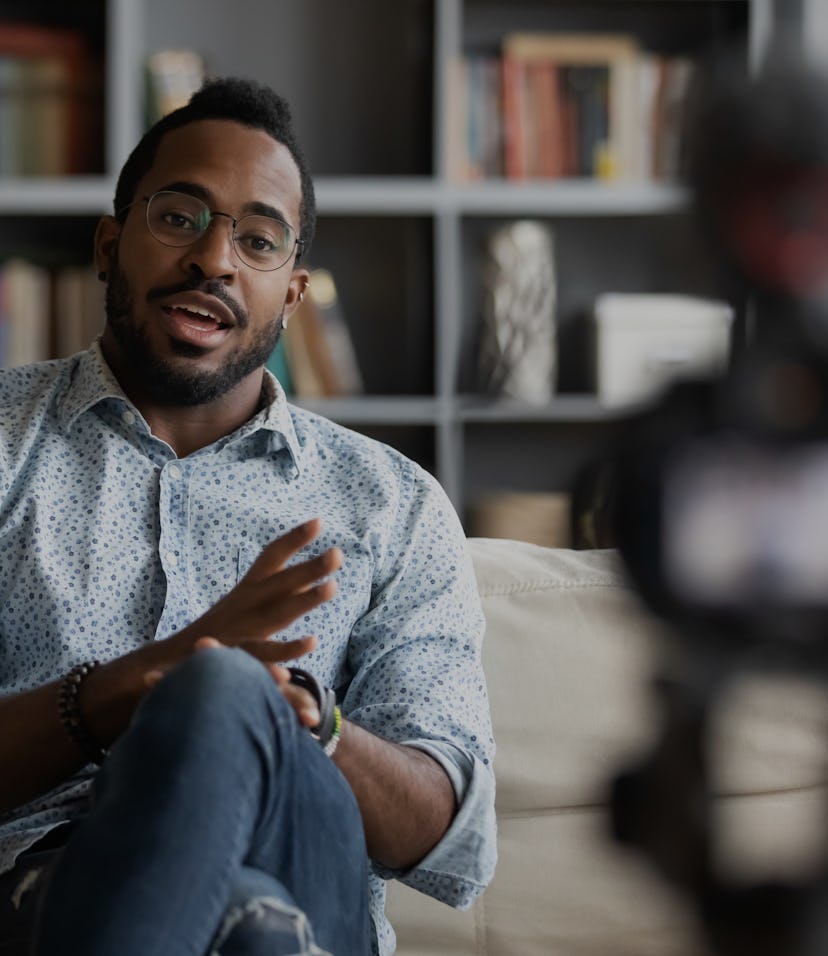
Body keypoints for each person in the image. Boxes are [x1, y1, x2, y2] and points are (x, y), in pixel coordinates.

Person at [0, 77, 496, 956]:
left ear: (293, 294)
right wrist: (132, 686)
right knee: (253, 923)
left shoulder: (393, 505)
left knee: (229, 691)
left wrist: (299, 717)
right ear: (109, 246)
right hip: (46, 889)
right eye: (179, 218)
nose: (214, 260)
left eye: (258, 240)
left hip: (310, 868)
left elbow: (447, 840)